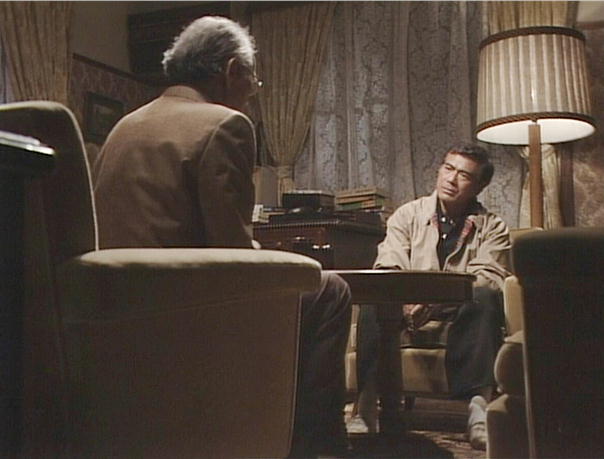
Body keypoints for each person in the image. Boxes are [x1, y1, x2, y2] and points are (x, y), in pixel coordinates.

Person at [92, 16, 351, 458]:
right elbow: (233, 256)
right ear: (232, 71)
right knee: (331, 290)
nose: (252, 94)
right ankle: (313, 446)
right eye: (253, 81)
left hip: (117, 310)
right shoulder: (225, 123)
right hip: (189, 309)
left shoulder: (124, 126)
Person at [352, 143, 511, 450]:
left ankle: (478, 410)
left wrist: (436, 300)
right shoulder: (407, 215)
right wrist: (406, 301)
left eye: (464, 175)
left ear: (479, 186)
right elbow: (389, 262)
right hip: (404, 303)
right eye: (448, 168)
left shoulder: (493, 226)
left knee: (485, 297)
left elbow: (489, 276)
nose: (451, 179)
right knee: (375, 300)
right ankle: (366, 405)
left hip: (459, 307)